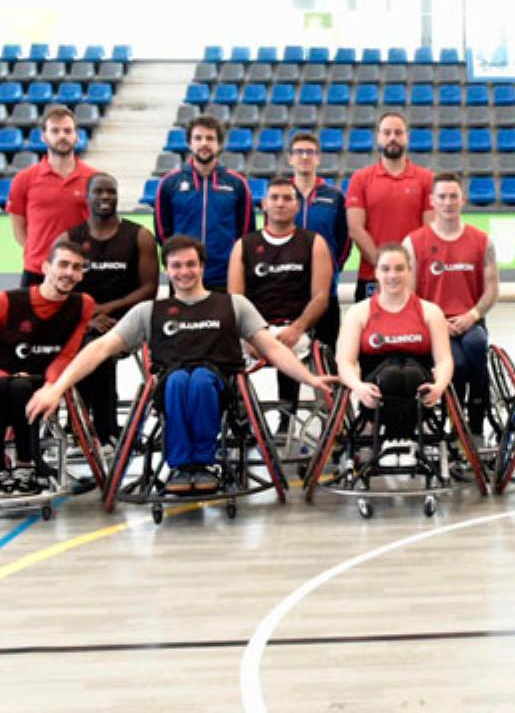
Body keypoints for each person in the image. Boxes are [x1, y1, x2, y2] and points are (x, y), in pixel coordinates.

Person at [26, 236, 336, 496]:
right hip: (169, 385)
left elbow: (273, 349)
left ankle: (202, 463)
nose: (184, 271)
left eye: (190, 264)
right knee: (178, 381)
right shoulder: (149, 311)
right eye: (176, 265)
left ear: (202, 267)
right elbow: (100, 348)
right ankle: (182, 467)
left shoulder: (233, 305)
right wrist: (57, 387)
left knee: (199, 379)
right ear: (167, 269)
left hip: (219, 386)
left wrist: (310, 379)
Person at [57, 173, 158, 444]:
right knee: (88, 340)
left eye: (110, 192)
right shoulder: (70, 239)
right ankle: (87, 424)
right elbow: (58, 289)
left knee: (99, 343)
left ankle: (101, 429)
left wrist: (107, 309)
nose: (105, 197)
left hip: (127, 320)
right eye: (98, 191)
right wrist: (87, 317)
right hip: (84, 320)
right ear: (87, 196)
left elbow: (149, 289)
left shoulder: (140, 236)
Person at [402, 173, 499, 448]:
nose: (448, 202)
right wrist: (436, 322)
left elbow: (492, 290)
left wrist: (472, 316)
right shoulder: (414, 242)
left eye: (453, 196)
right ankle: (454, 424)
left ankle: (476, 424)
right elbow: (408, 295)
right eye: (442, 197)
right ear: (432, 201)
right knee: (457, 363)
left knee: (476, 345)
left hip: (471, 321)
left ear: (463, 199)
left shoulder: (482, 241)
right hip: (434, 324)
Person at [227, 177, 332, 414]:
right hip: (254, 330)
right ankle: (244, 416)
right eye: (274, 198)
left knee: (288, 346)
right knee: (227, 352)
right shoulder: (244, 245)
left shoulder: (314, 243)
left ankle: (287, 418)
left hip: (295, 329)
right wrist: (249, 335)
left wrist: (297, 328)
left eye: (287, 198)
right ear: (264, 204)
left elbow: (320, 297)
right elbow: (235, 300)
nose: (280, 203)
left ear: (297, 206)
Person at [336, 243, 454, 446]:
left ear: (409, 271)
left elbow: (444, 360)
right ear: (376, 273)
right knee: (391, 376)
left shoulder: (430, 312)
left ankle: (410, 433)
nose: (392, 275)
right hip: (376, 391)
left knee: (407, 375)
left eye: (399, 269)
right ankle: (383, 433)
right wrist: (358, 387)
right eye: (386, 269)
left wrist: (439, 386)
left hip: (419, 389)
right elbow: (345, 362)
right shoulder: (359, 312)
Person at [0, 242, 93, 493]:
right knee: (10, 385)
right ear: (45, 267)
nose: (69, 273)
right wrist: (6, 375)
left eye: (77, 267)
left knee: (22, 387)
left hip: (44, 380)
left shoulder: (83, 304)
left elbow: (67, 354)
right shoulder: (7, 301)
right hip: (5, 377)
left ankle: (26, 465)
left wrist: (52, 385)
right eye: (63, 265)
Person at [154, 115, 254, 290]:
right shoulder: (170, 182)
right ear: (189, 143)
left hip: (224, 276)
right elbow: (163, 232)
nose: (204, 143)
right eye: (198, 138)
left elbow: (246, 233)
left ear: (219, 144)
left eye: (210, 138)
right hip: (183, 277)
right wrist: (179, 261)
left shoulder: (237, 183)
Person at [346, 112, 434, 301]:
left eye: (398, 132)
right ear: (378, 136)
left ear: (407, 137)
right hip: (372, 277)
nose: (392, 137)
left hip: (414, 277)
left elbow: (429, 231)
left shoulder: (426, 179)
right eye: (387, 132)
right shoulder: (360, 178)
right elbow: (355, 229)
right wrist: (384, 266)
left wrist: (404, 269)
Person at [8, 106, 95, 287]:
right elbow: (18, 229)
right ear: (44, 136)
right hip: (36, 271)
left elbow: (99, 227)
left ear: (77, 136)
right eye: (55, 131)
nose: (62, 136)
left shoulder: (94, 178)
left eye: (67, 130)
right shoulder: (24, 179)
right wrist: (40, 255)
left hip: (78, 272)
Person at [287, 131, 351, 347]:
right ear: (290, 158)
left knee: (327, 352)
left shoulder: (334, 196)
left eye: (310, 152)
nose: (304, 157)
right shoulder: (281, 195)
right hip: (289, 288)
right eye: (299, 152)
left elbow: (345, 240)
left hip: (325, 291)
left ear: (318, 158)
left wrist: (331, 267)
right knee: (289, 353)